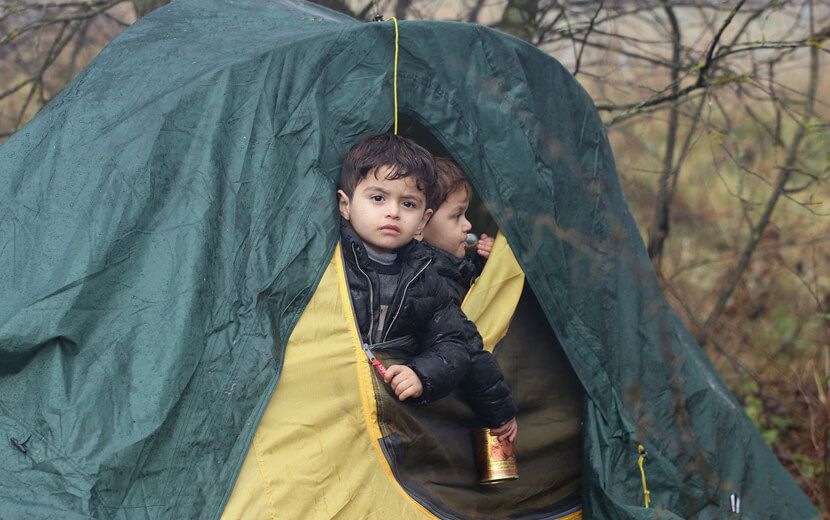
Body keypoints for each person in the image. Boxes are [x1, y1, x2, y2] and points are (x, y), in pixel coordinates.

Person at [336, 133, 514, 441]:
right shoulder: (329, 261)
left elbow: (458, 344)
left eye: (407, 204)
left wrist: (422, 373)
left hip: (385, 424)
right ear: (345, 204)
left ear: (422, 221)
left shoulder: (427, 279)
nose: (393, 211)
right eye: (378, 198)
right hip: (329, 402)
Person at [420, 157, 517, 442]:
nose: (468, 225)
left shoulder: (442, 264)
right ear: (421, 223)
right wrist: (500, 411)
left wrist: (484, 268)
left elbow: (464, 290)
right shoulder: (429, 278)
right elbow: (464, 343)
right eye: (456, 216)